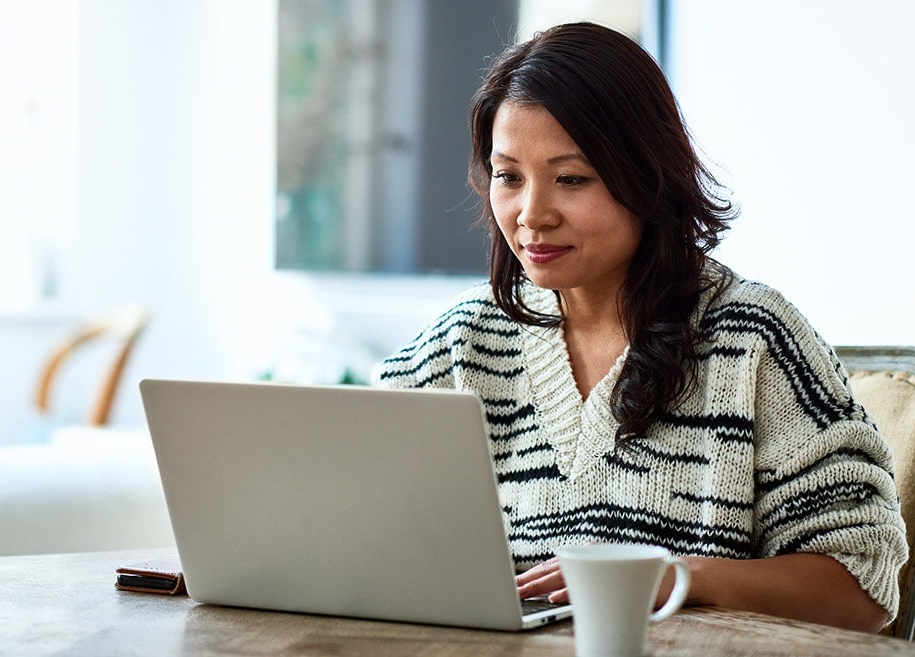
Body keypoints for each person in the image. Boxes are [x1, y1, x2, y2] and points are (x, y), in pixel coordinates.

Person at [371, 21, 906, 633]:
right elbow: (357, 532)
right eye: (508, 176)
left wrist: (676, 577)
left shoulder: (754, 339)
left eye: (571, 179)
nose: (531, 214)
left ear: (646, 176)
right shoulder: (459, 344)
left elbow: (862, 589)